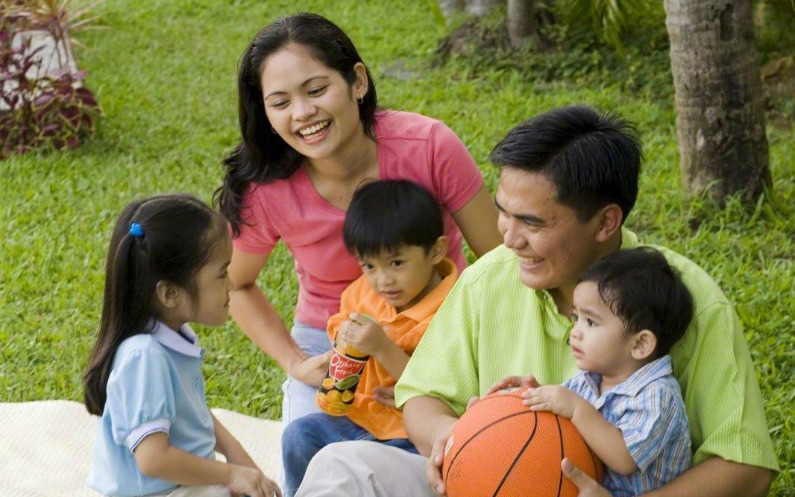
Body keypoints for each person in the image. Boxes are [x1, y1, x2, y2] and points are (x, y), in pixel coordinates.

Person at [294, 105, 779, 497]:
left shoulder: (690, 298)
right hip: (480, 481)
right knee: (343, 467)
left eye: (533, 222)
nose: (509, 237)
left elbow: (745, 465)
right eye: (504, 214)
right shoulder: (489, 279)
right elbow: (421, 396)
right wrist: (448, 438)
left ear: (606, 223)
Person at [214, 12, 501, 427]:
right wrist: (297, 363)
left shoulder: (428, 146)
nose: (303, 113)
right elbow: (235, 284)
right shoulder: (267, 188)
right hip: (333, 345)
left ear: (358, 82)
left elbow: (501, 261)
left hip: (438, 331)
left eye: (316, 89)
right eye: (281, 103)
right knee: (307, 446)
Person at [82, 194, 281, 497]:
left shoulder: (171, 339)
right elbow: (153, 460)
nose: (230, 284)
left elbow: (193, 411)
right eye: (221, 273)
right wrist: (230, 474)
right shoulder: (144, 356)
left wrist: (237, 457)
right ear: (170, 294)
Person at [281, 179, 459, 496]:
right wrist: (343, 341)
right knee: (299, 435)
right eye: (369, 265)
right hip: (361, 420)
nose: (383, 280)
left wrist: (383, 348)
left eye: (396, 263)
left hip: (411, 436)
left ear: (436, 251)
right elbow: (340, 324)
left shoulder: (455, 309)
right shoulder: (365, 292)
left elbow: (443, 389)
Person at [492, 247, 693, 496]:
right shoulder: (590, 380)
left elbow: (623, 458)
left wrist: (576, 408)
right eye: (576, 317)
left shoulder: (658, 396)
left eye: (591, 322)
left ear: (640, 344)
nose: (575, 331)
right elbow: (562, 424)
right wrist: (537, 393)